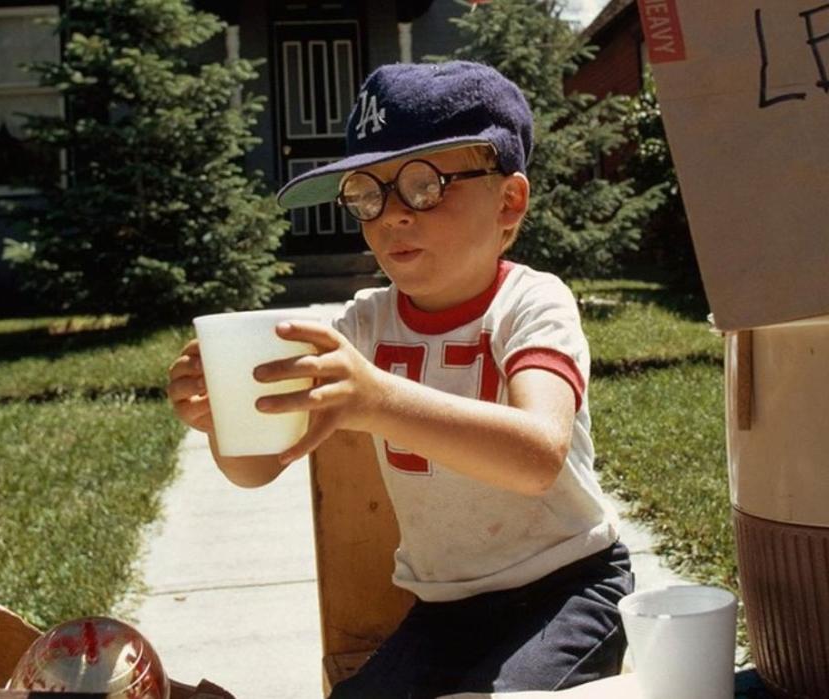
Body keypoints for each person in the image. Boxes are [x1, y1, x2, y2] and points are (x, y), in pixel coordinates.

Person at [167, 61, 634, 698]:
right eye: (367, 193)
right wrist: (223, 418)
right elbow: (256, 468)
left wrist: (379, 397)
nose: (391, 216)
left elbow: (536, 458)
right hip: (447, 609)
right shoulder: (364, 323)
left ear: (509, 201)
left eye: (424, 185)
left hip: (570, 589)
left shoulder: (531, 305)